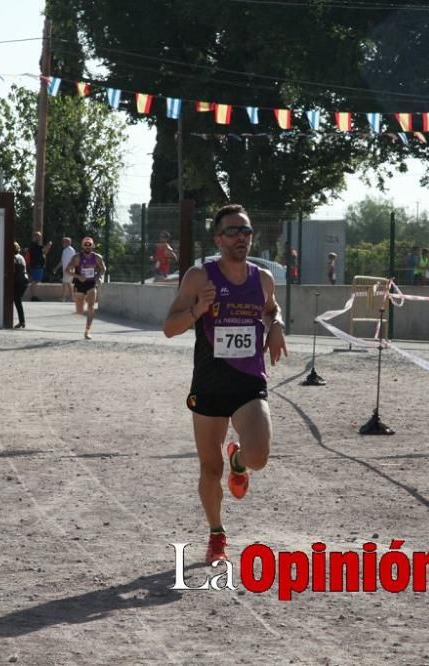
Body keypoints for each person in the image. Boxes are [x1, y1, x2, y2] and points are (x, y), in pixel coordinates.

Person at [161, 203, 287, 565]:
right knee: (209, 468)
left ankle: (240, 460)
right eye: (232, 231)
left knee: (259, 456)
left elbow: (271, 308)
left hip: (249, 382)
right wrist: (198, 311)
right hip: (210, 382)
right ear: (218, 238)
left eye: (245, 231)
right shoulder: (199, 277)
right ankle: (217, 533)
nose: (240, 238)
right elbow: (169, 328)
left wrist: (276, 325)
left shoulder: (262, 279)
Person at [67, 236, 106, 339]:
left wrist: (98, 277)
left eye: (90, 245)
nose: (88, 247)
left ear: (93, 246)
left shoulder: (97, 257)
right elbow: (67, 270)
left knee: (91, 306)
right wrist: (78, 276)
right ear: (82, 246)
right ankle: (80, 307)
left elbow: (103, 268)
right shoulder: (77, 257)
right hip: (80, 283)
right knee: (79, 310)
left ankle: (87, 330)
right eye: (86, 245)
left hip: (91, 283)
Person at [26, 231, 52, 301]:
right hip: (36, 265)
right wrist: (48, 246)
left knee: (34, 281)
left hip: (36, 265)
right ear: (35, 237)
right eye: (39, 236)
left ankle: (33, 296)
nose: (40, 238)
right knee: (35, 281)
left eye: (40, 237)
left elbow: (44, 253)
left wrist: (47, 248)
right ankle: (33, 296)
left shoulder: (36, 245)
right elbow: (43, 251)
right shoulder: (34, 245)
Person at [12, 241, 29, 328]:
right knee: (17, 300)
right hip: (24, 280)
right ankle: (21, 321)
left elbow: (14, 271)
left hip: (19, 281)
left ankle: (22, 321)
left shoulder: (14, 258)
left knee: (17, 300)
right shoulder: (21, 257)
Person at [55, 236, 76, 302]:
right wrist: (56, 268)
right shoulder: (64, 250)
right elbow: (62, 261)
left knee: (64, 283)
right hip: (65, 270)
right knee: (68, 284)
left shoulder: (71, 250)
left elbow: (73, 260)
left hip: (69, 269)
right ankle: (72, 298)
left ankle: (63, 298)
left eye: (64, 242)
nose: (63, 243)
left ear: (68, 243)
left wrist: (71, 268)